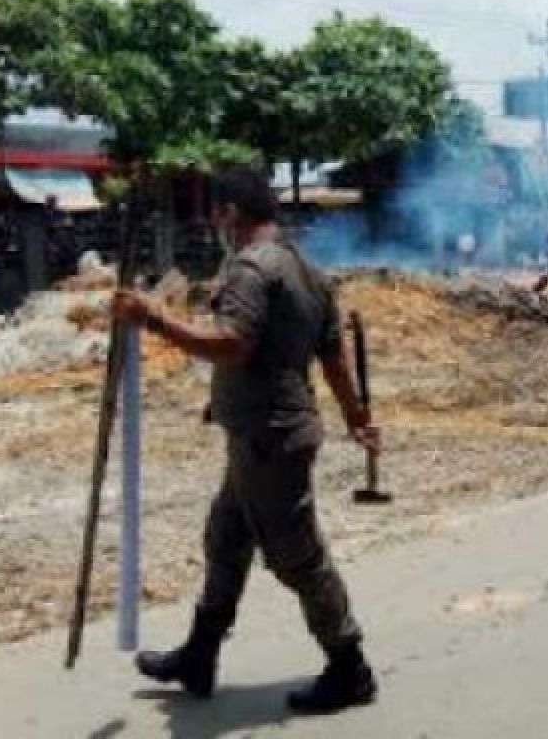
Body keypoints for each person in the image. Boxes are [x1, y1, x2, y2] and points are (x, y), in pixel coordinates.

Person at [111, 167, 380, 713]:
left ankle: (350, 666)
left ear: (231, 213)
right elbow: (332, 359)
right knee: (226, 539)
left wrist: (153, 319)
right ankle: (200, 655)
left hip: (270, 437)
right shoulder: (305, 268)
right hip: (263, 434)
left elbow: (232, 343)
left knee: (297, 556)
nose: (215, 223)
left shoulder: (251, 269)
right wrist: (355, 417)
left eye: (218, 212)